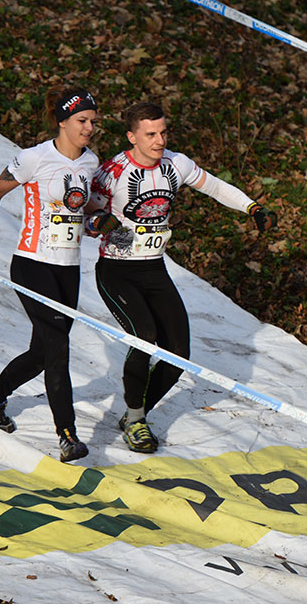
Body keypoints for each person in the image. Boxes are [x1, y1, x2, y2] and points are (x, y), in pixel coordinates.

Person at [86, 101, 276, 454]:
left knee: (178, 355)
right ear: (132, 137)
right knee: (145, 337)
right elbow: (85, 214)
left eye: (163, 132)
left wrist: (252, 207)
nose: (160, 141)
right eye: (150, 134)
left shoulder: (176, 164)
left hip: (154, 268)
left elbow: (216, 187)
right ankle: (136, 420)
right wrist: (97, 221)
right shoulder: (112, 172)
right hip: (117, 271)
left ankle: (134, 416)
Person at [0, 87, 117, 463]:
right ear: (63, 122)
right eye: (82, 121)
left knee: (42, 352)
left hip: (68, 269)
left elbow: (84, 206)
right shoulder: (34, 157)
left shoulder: (90, 162)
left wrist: (100, 219)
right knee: (59, 349)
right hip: (32, 265)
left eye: (93, 121)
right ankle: (67, 435)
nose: (89, 128)